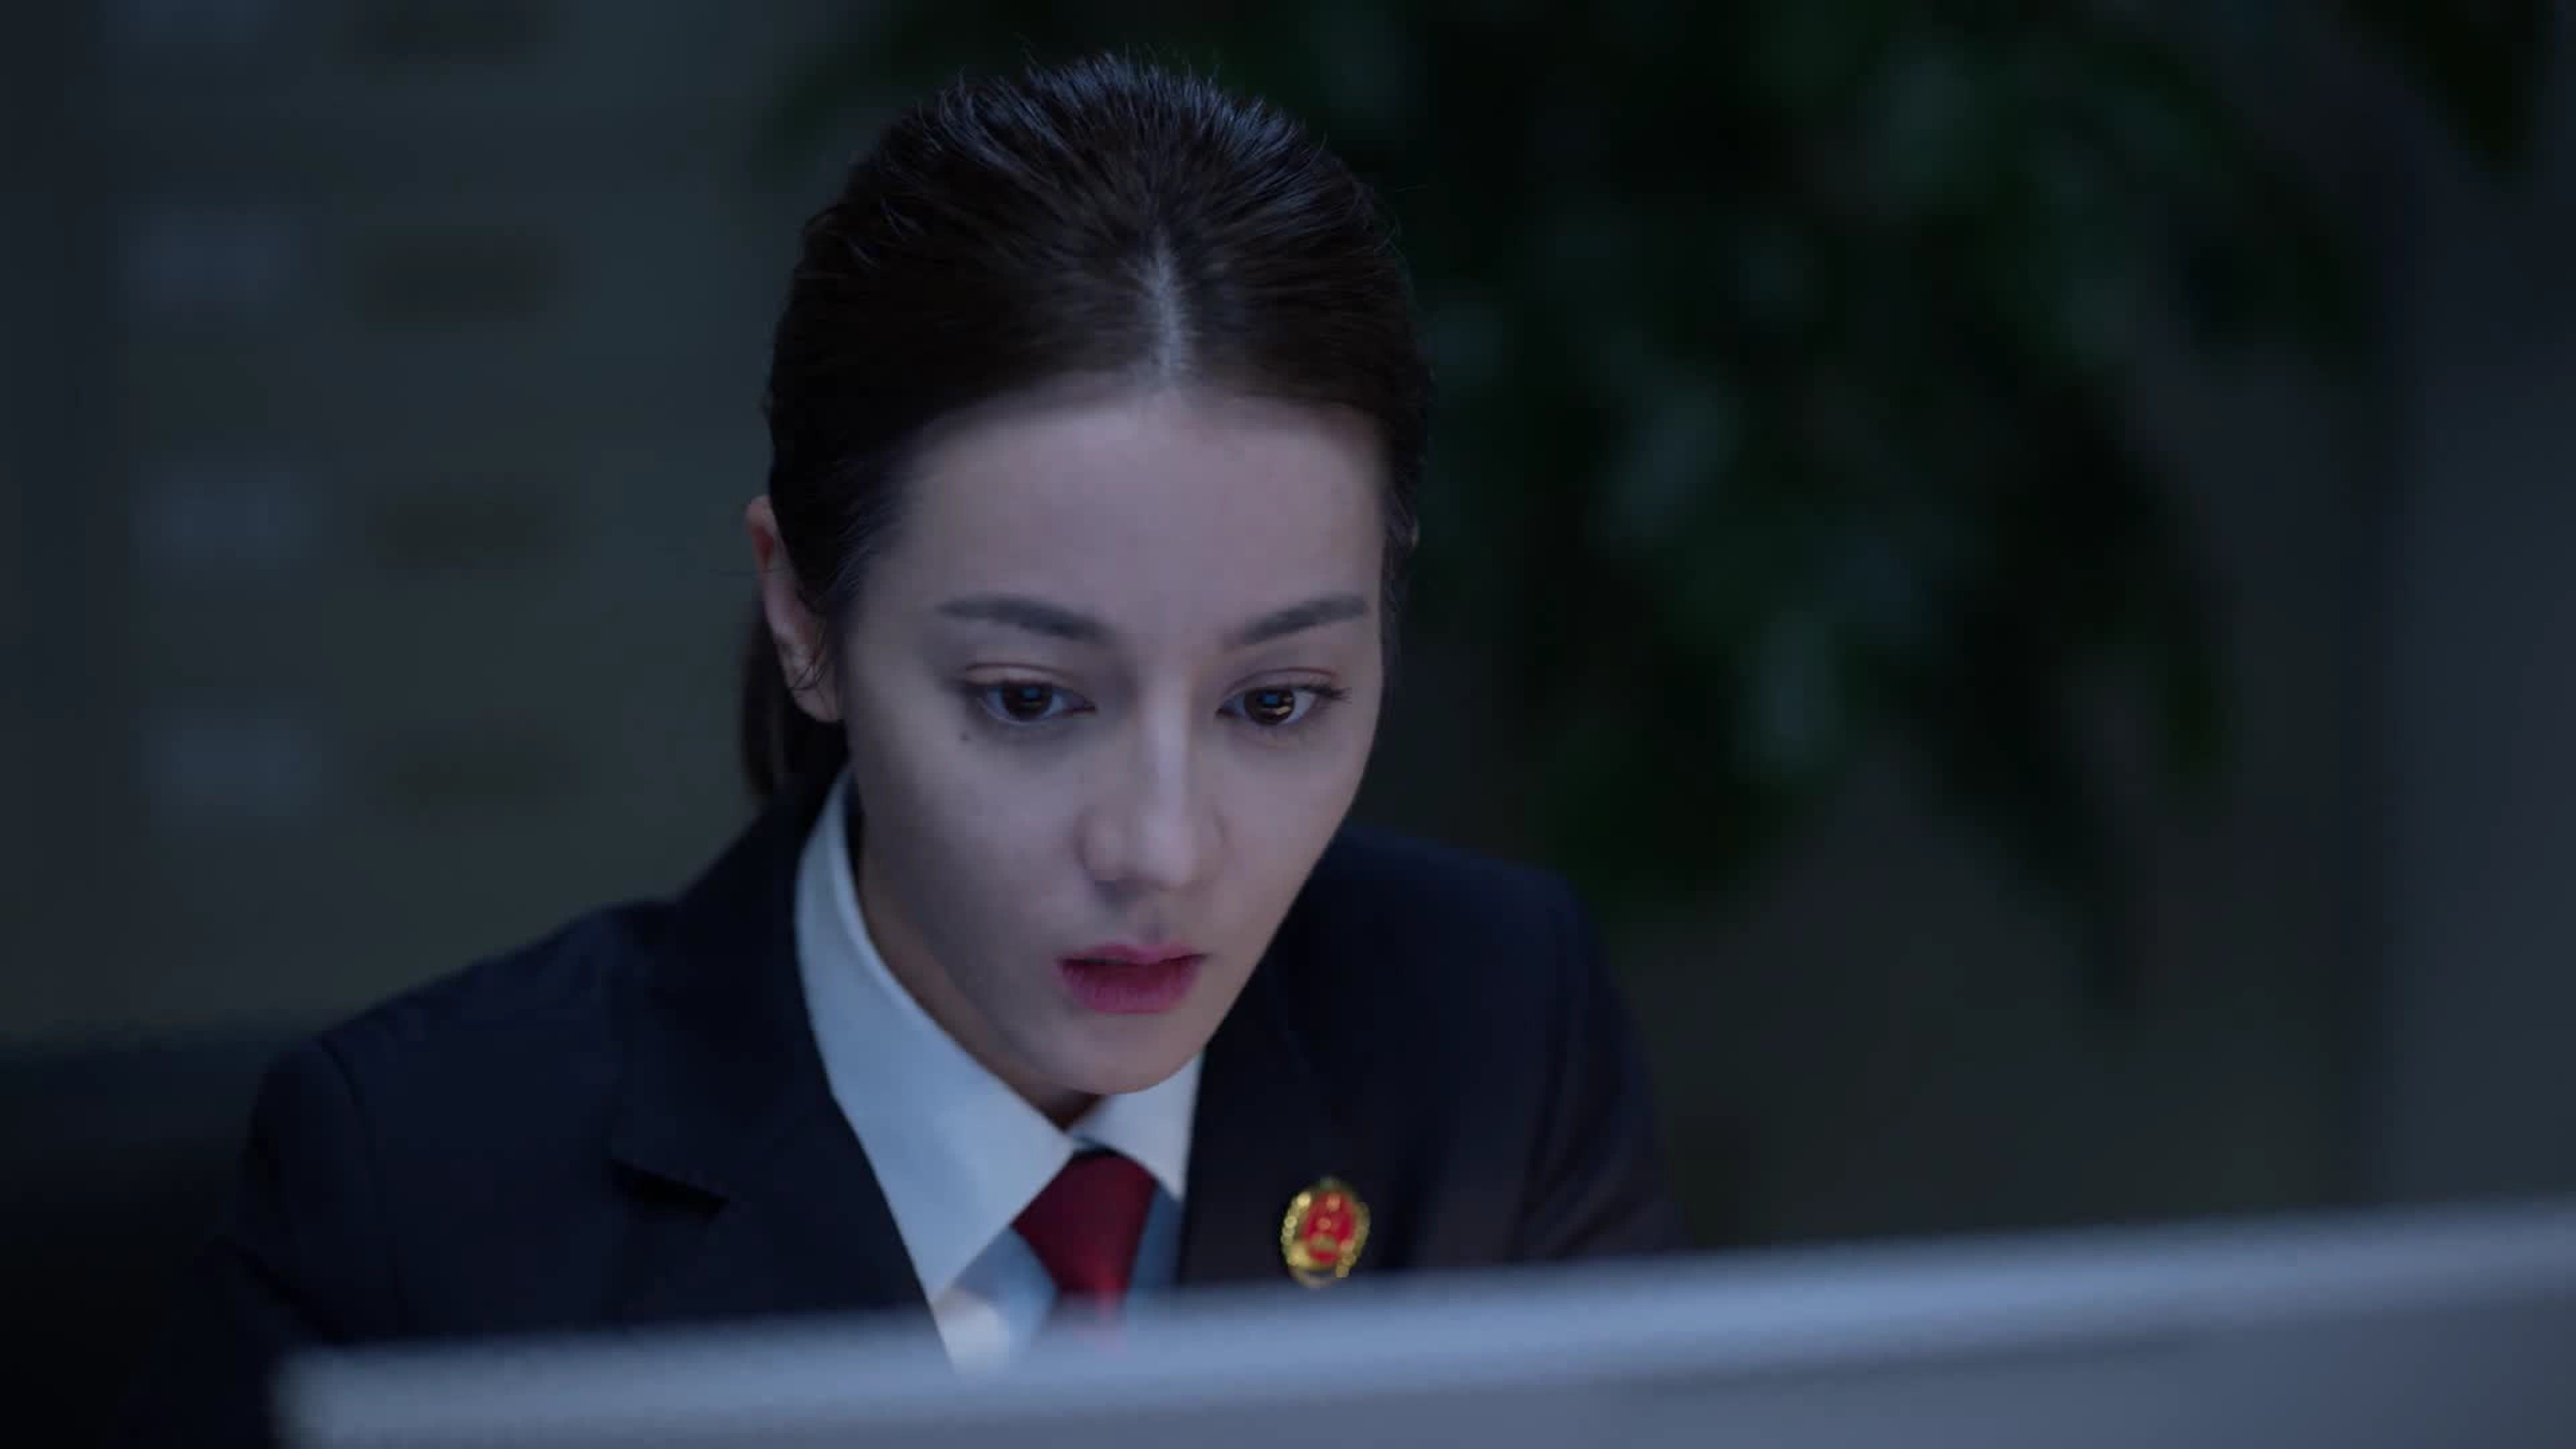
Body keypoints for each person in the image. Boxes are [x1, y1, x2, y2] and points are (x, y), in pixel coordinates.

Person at [112, 53, 1684, 1444]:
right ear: (804, 613)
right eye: (1029, 698)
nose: (1160, 847)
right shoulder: (415, 1188)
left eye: (1274, 703)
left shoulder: (1493, 1034)